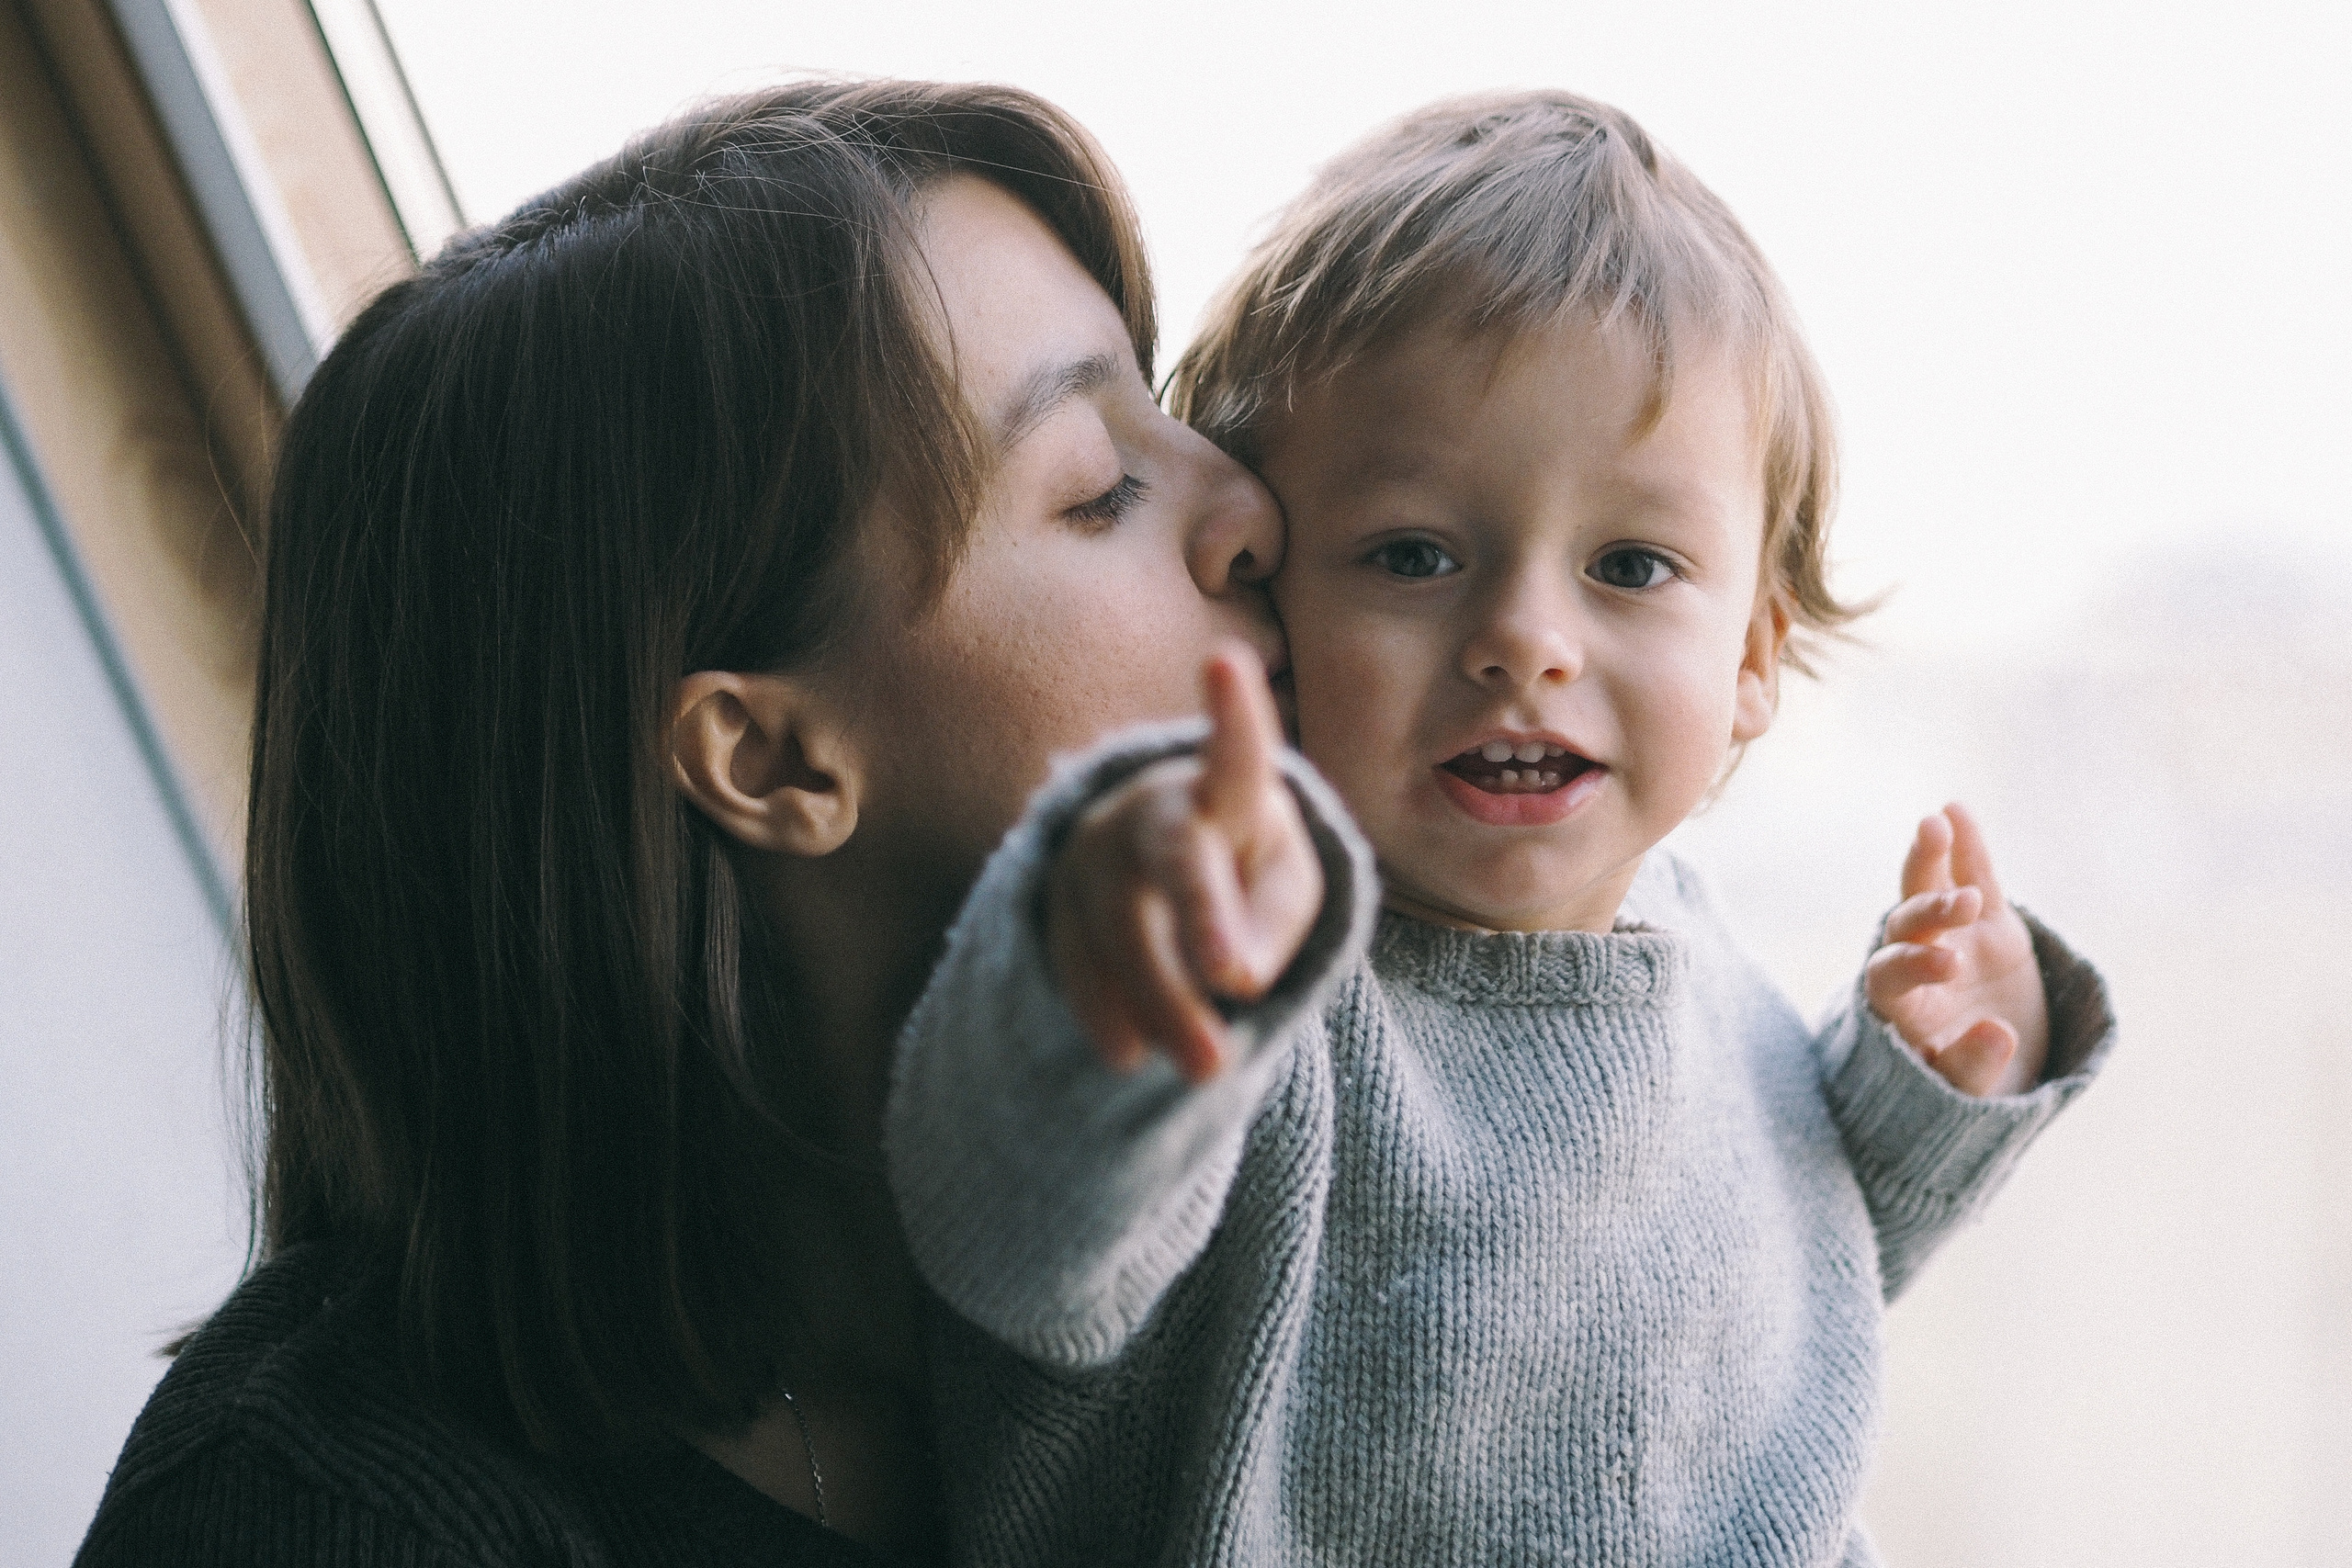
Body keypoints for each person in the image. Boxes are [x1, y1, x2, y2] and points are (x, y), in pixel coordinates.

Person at [73, 78, 1297, 1566]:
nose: (1250, 509)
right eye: (1100, 489)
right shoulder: (322, 1518)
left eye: (1160, 409)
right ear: (771, 762)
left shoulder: (1330, 1200)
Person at [886, 91, 2120, 1563]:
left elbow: (1750, 1331)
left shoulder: (1703, 962)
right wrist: (1103, 981)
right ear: (1270, 596)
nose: (1526, 639)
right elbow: (1016, 1239)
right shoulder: (1274, 988)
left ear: (1746, 665)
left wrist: (1914, 1095)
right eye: (1413, 555)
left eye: (1630, 563)